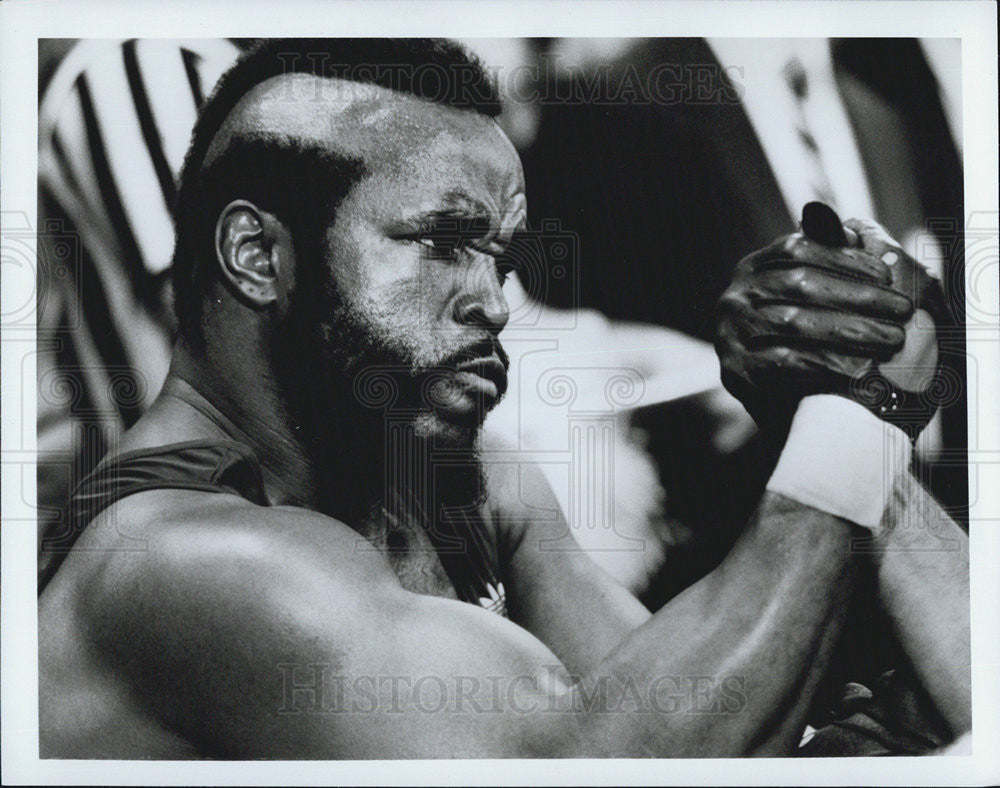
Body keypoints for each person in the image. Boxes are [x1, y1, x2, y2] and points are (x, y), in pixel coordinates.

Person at [37, 39, 969, 759]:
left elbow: (696, 718)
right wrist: (856, 416)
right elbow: (588, 761)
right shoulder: (177, 561)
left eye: (499, 252)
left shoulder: (469, 486)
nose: (492, 299)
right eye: (443, 240)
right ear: (256, 255)